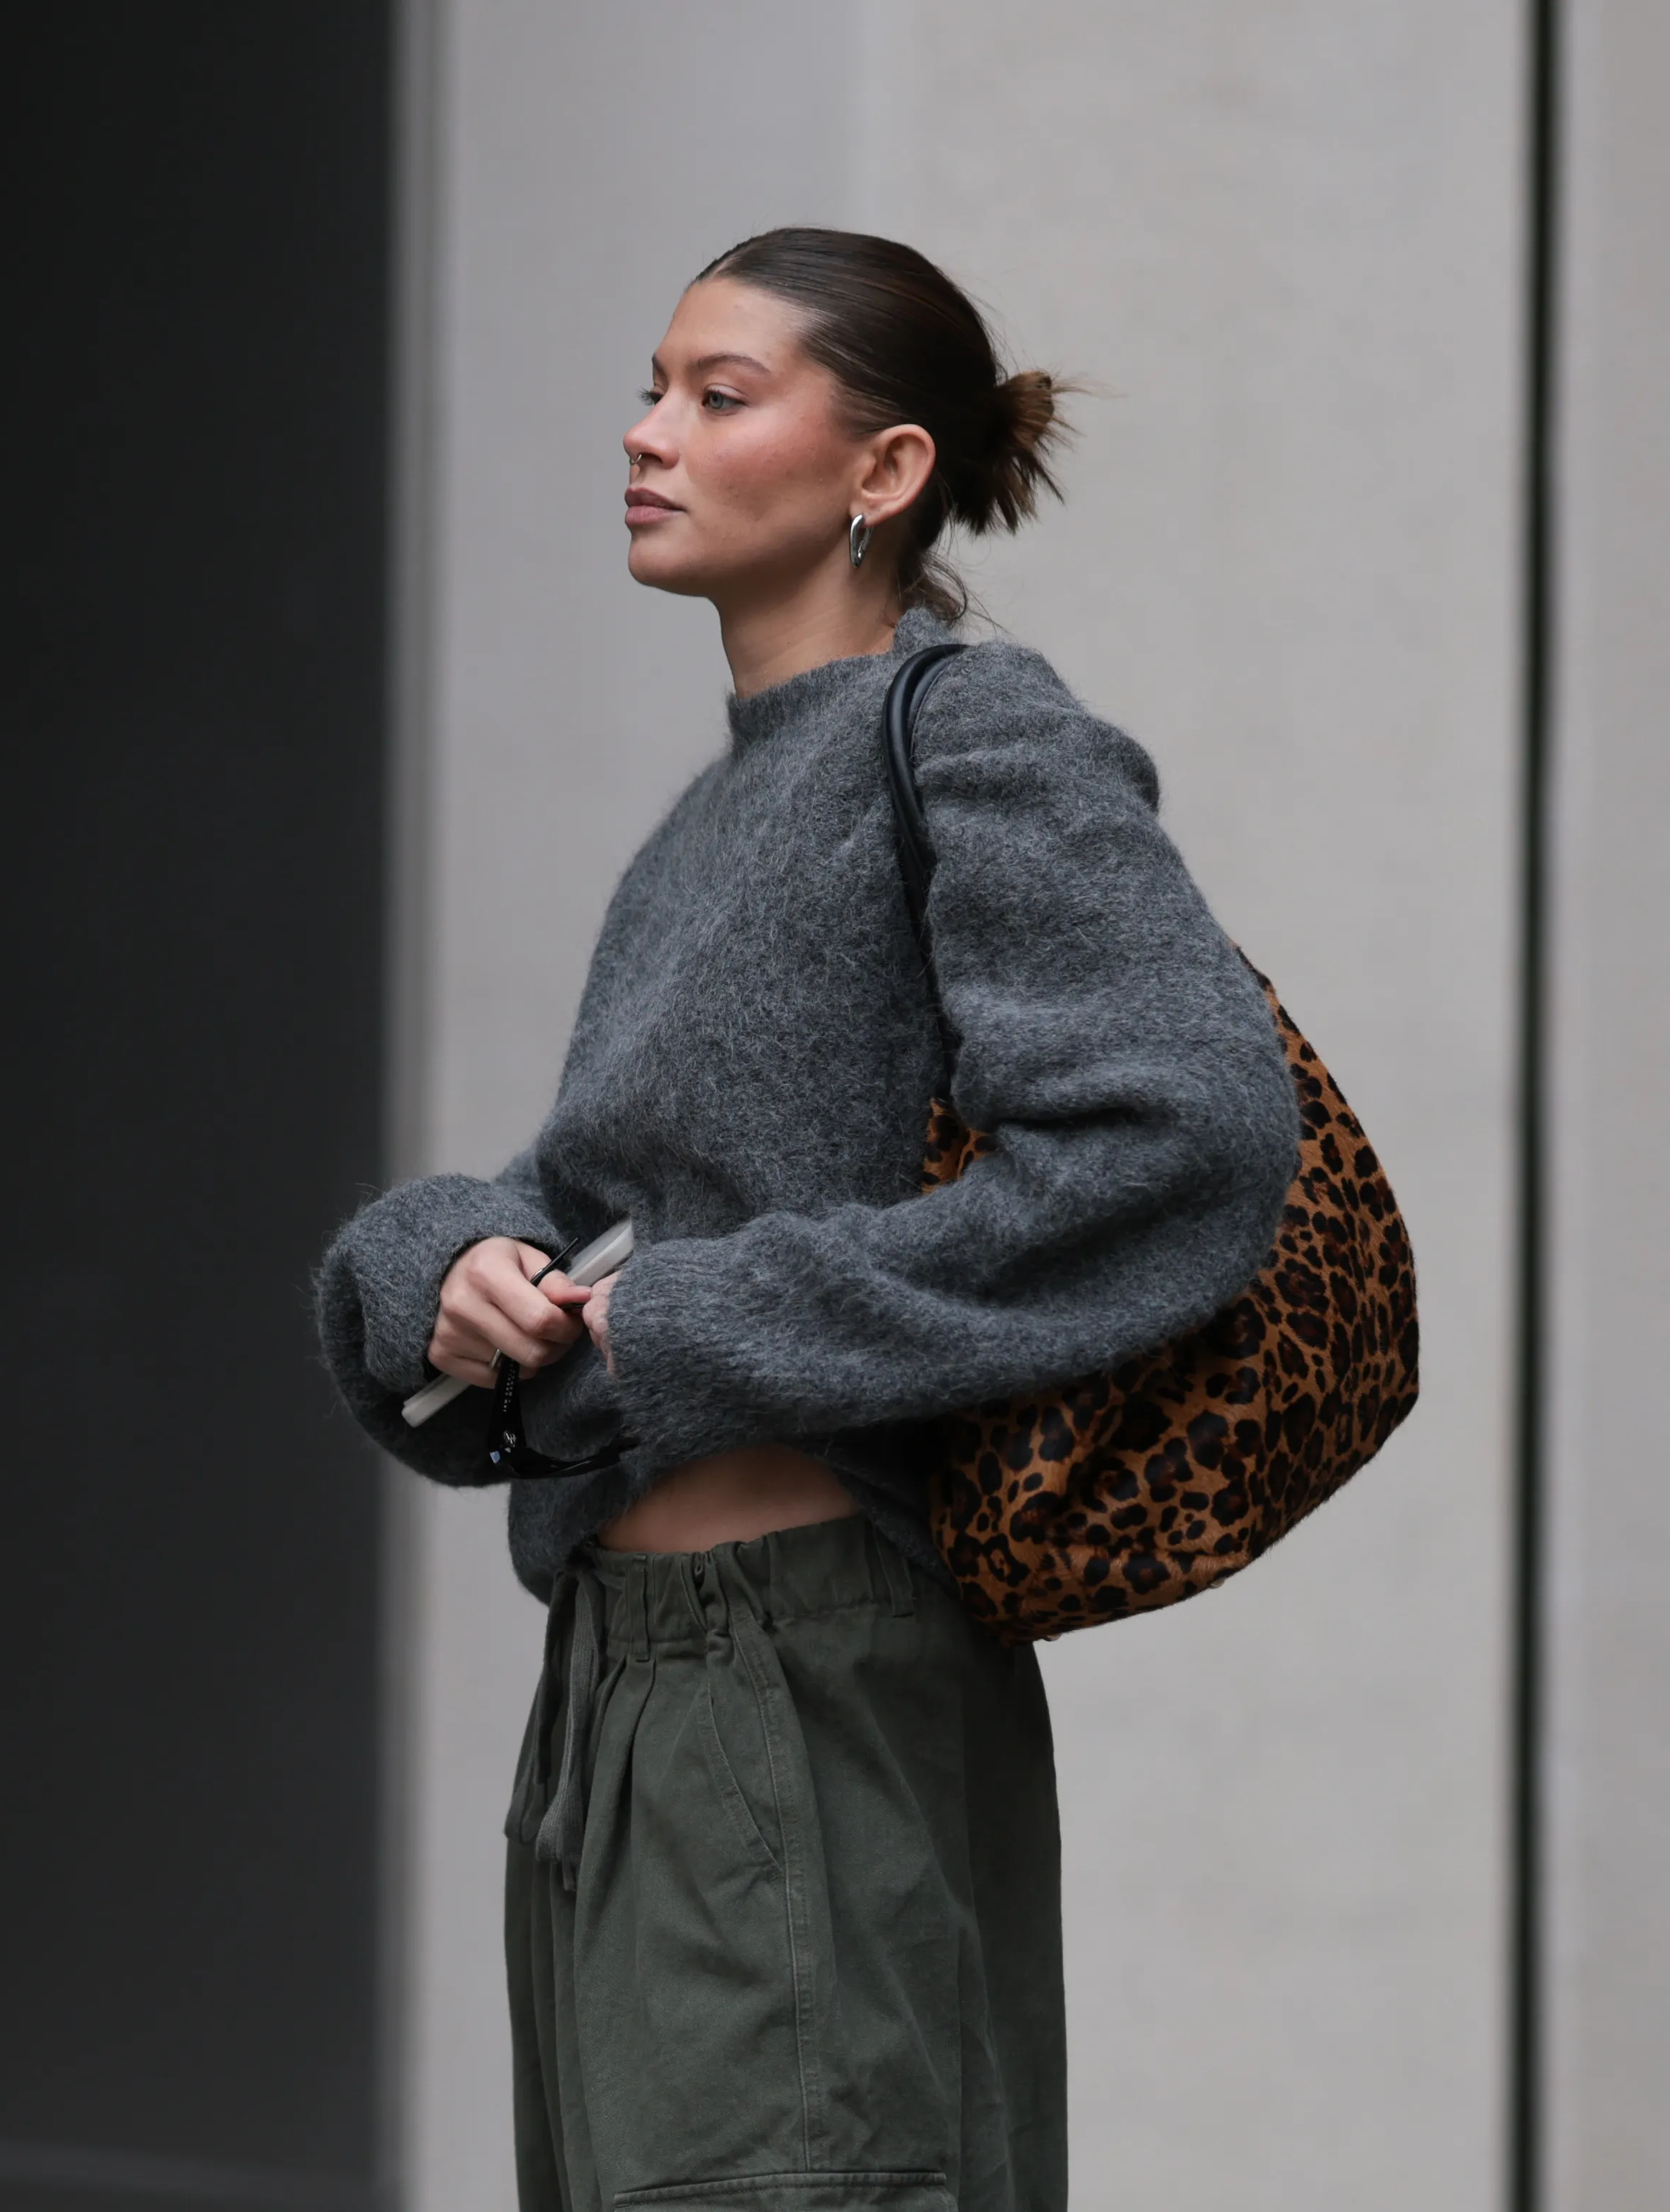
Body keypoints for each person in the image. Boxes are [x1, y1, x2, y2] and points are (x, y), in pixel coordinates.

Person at [311, 227, 1295, 2212]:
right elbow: (590, 1196)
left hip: (804, 1660)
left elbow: (1183, 1136)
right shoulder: (714, 817)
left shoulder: (974, 735)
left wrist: (692, 1326)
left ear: (884, 471)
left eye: (717, 395)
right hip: (628, 1676)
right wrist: (442, 1267)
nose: (644, 432)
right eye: (652, 384)